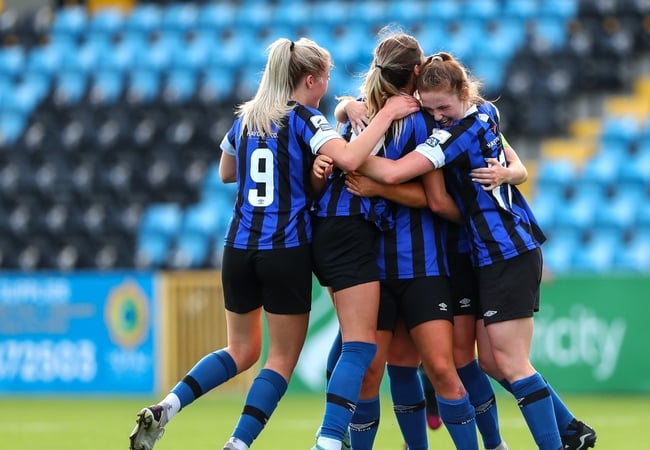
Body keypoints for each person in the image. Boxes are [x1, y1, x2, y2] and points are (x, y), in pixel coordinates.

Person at [127, 37, 418, 450]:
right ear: (311, 80)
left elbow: (228, 171)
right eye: (327, 79)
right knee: (280, 360)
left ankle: (168, 406)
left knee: (239, 350)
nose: (329, 86)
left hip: (238, 247)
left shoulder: (247, 119)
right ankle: (239, 443)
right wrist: (386, 114)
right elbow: (350, 160)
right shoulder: (305, 119)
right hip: (285, 248)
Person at [355, 52, 597, 450]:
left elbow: (397, 174)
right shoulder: (482, 111)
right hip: (483, 253)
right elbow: (515, 161)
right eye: (429, 108)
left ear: (463, 93)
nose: (437, 117)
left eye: (443, 107)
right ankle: (567, 428)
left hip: (504, 250)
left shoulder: (459, 131)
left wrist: (354, 162)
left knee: (510, 363)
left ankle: (560, 440)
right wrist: (349, 106)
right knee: (484, 362)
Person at [314, 29, 479, 450]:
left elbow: (432, 197)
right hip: (372, 264)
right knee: (377, 371)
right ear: (417, 70)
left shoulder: (429, 120)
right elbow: (342, 114)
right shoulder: (362, 115)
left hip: (423, 263)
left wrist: (373, 184)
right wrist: (346, 106)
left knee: (440, 368)